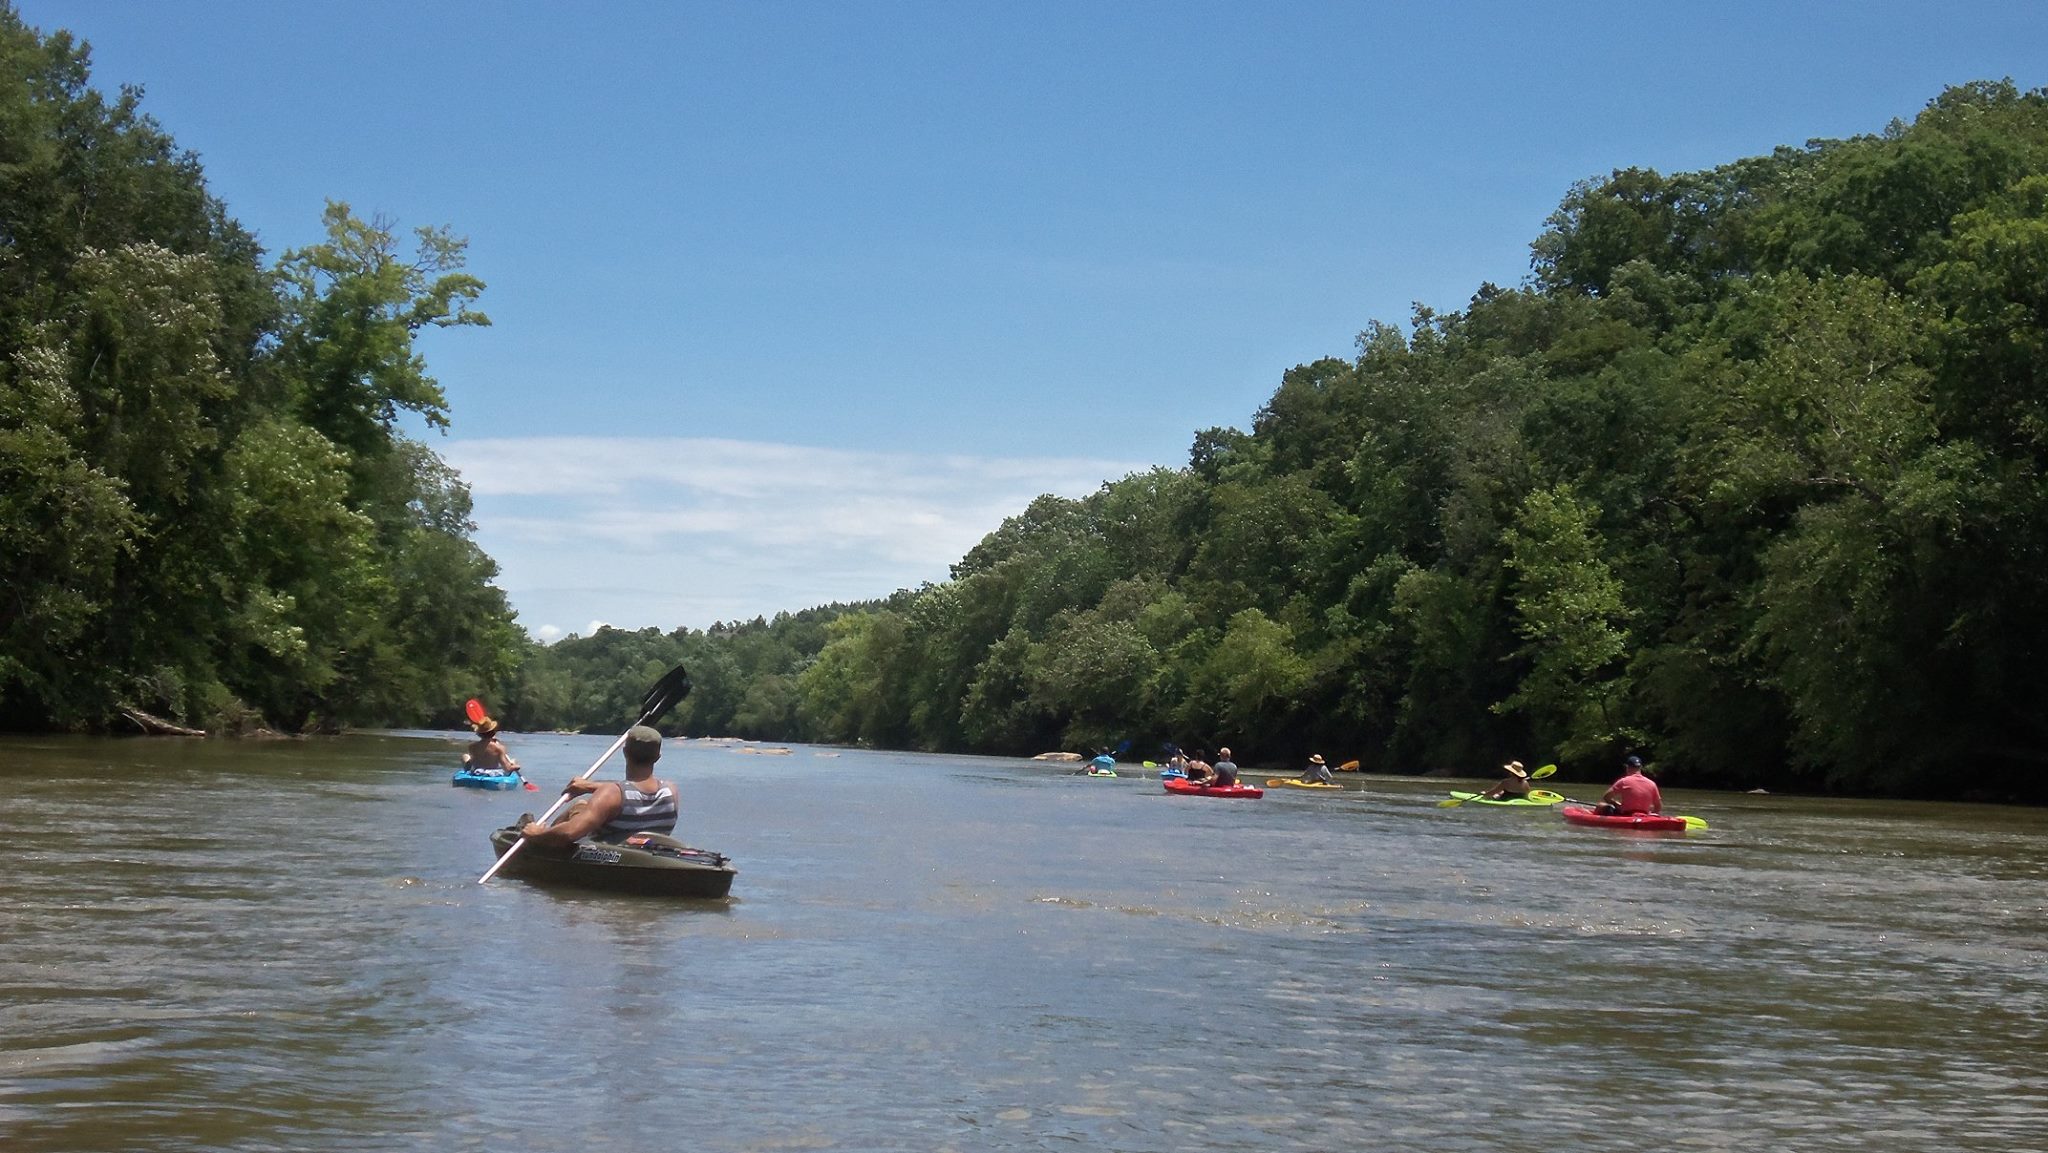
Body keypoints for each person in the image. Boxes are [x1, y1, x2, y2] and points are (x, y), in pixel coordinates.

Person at [520, 726, 678, 846]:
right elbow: (635, 792)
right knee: (581, 806)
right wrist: (590, 787)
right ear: (658, 757)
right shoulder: (671, 790)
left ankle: (539, 841)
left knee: (578, 808)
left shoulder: (611, 794)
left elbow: (569, 834)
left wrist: (537, 835)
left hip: (614, 853)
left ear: (625, 752)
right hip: (649, 849)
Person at [1595, 754, 1662, 815]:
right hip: (1644, 814)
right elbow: (1658, 807)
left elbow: (1606, 797)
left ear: (1627, 767)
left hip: (1626, 814)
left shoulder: (1623, 781)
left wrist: (1616, 804)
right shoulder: (1652, 784)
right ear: (1640, 767)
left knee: (1600, 805)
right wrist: (1651, 814)